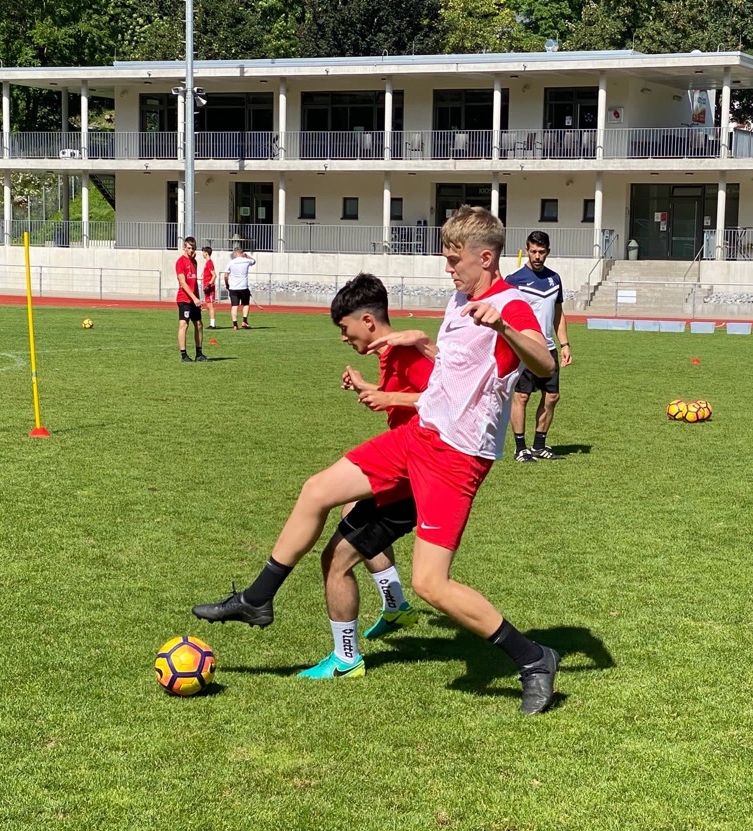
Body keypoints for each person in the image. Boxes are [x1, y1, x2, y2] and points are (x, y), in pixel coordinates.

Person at [193, 206, 560, 714]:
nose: (447, 268)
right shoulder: (461, 299)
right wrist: (424, 343)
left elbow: (543, 360)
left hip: (456, 457)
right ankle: (258, 598)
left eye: (454, 259)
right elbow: (459, 371)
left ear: (485, 257)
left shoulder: (510, 304)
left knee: (431, 583)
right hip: (419, 437)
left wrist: (505, 327)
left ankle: (534, 658)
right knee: (317, 490)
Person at [298, 272, 435, 679]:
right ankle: (395, 607)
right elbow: (408, 400)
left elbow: (444, 403)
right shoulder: (390, 353)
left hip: (415, 475)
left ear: (368, 321)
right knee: (348, 513)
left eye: (345, 328)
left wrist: (387, 395)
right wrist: (368, 387)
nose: (343, 337)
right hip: (406, 469)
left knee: (336, 560)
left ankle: (346, 659)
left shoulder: (405, 352)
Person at [506, 230, 572, 461]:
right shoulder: (514, 280)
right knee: (522, 397)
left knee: (552, 396)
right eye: (533, 251)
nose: (537, 256)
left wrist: (565, 344)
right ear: (527, 250)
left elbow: (558, 314)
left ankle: (538, 446)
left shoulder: (555, 279)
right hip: (524, 349)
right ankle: (520, 448)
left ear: (548, 252)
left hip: (549, 348)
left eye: (541, 252)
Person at [175, 236, 205, 362]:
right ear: (184, 247)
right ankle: (184, 355)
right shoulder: (180, 262)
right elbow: (183, 282)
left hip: (194, 299)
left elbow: (194, 283)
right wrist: (194, 298)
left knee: (199, 324)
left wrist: (198, 299)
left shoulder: (194, 262)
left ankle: (199, 354)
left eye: (193, 248)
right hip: (184, 299)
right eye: (189, 248)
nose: (191, 250)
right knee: (184, 324)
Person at [223, 244, 256, 330]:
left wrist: (227, 284)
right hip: (243, 287)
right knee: (245, 304)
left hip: (233, 288)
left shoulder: (231, 262)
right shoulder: (246, 261)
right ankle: (244, 321)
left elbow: (226, 275)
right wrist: (247, 256)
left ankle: (235, 325)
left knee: (234, 306)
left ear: (235, 253)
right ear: (242, 253)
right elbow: (254, 261)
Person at [201, 246, 217, 330]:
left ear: (206, 253)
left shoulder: (209, 262)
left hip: (209, 288)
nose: (202, 254)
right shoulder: (207, 263)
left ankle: (213, 324)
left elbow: (214, 275)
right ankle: (211, 323)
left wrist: (209, 285)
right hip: (206, 286)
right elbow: (205, 277)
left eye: (203, 252)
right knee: (208, 305)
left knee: (210, 306)